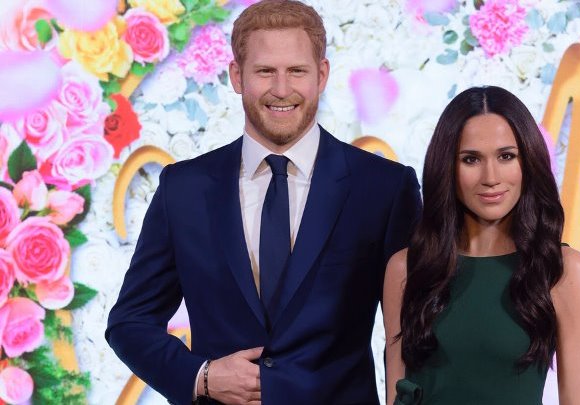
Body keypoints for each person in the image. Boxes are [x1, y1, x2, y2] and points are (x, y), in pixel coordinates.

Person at [106, 1, 421, 404]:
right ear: (237, 76)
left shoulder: (384, 188)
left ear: (322, 75)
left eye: (297, 71)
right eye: (265, 71)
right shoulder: (183, 189)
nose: (282, 89)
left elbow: (415, 331)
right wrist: (202, 377)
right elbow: (129, 322)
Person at [383, 86, 580, 404]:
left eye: (506, 156)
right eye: (471, 159)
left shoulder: (563, 271)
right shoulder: (406, 268)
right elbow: (396, 393)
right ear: (447, 167)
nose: (491, 177)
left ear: (528, 162)